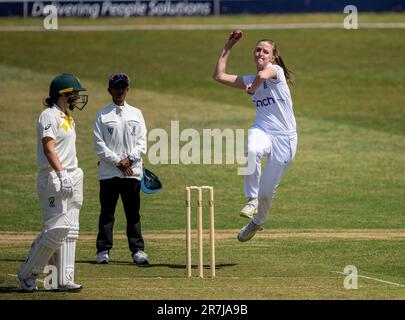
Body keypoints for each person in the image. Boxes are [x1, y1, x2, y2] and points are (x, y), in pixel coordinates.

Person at [213, 31, 298, 242]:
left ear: (273, 56)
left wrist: (252, 90)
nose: (260, 53)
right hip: (262, 131)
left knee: (267, 194)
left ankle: (257, 222)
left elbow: (262, 77)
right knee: (251, 149)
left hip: (285, 139)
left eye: (265, 51)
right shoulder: (251, 79)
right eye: (258, 50)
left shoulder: (275, 72)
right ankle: (251, 198)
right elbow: (219, 76)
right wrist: (229, 45)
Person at [17, 73, 88, 292]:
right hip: (53, 178)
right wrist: (62, 174)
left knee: (71, 230)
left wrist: (71, 174)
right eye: (74, 94)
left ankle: (63, 279)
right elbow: (49, 149)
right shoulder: (48, 115)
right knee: (58, 229)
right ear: (62, 95)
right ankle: (27, 274)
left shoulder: (68, 117)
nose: (77, 98)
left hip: (73, 176)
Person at [93, 72, 149, 266]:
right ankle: (103, 250)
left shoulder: (136, 113)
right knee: (107, 213)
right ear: (109, 90)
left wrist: (129, 159)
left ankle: (137, 251)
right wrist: (118, 161)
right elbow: (99, 146)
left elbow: (142, 143)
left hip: (132, 172)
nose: (120, 90)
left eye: (123, 87)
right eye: (116, 87)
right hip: (109, 172)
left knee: (133, 213)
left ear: (127, 89)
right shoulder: (102, 114)